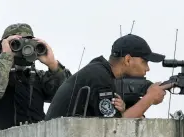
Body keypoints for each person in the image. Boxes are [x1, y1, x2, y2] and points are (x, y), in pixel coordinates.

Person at [45, 34, 173, 120]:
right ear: (128, 60)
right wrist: (149, 98)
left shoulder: (100, 71)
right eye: (144, 62)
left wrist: (123, 111)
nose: (147, 68)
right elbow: (114, 128)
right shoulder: (100, 77)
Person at [0, 23, 72, 131]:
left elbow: (68, 96)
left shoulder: (37, 77)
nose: (22, 49)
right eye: (15, 44)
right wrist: (6, 57)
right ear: (3, 48)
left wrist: (53, 65)